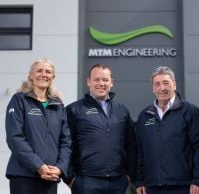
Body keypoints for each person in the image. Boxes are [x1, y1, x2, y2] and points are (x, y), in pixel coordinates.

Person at [63, 63, 137, 194]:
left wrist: (129, 176)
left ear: (111, 82)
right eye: (96, 79)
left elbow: (131, 145)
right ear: (88, 82)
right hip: (86, 182)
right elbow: (65, 144)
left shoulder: (122, 111)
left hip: (118, 182)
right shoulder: (74, 110)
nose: (101, 83)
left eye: (105, 80)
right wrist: (70, 178)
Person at [135, 66, 199, 194]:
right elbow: (140, 151)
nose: (162, 88)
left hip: (184, 187)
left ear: (174, 84)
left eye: (166, 83)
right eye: (157, 84)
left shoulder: (191, 112)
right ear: (153, 88)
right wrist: (139, 180)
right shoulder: (145, 116)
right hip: (151, 187)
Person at [5, 58, 71, 194]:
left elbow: (66, 141)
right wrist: (38, 166)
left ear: (53, 77)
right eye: (39, 70)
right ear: (30, 75)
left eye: (48, 72)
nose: (44, 74)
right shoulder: (19, 100)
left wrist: (60, 168)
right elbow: (14, 137)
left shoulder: (58, 105)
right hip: (23, 176)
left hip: (50, 176)